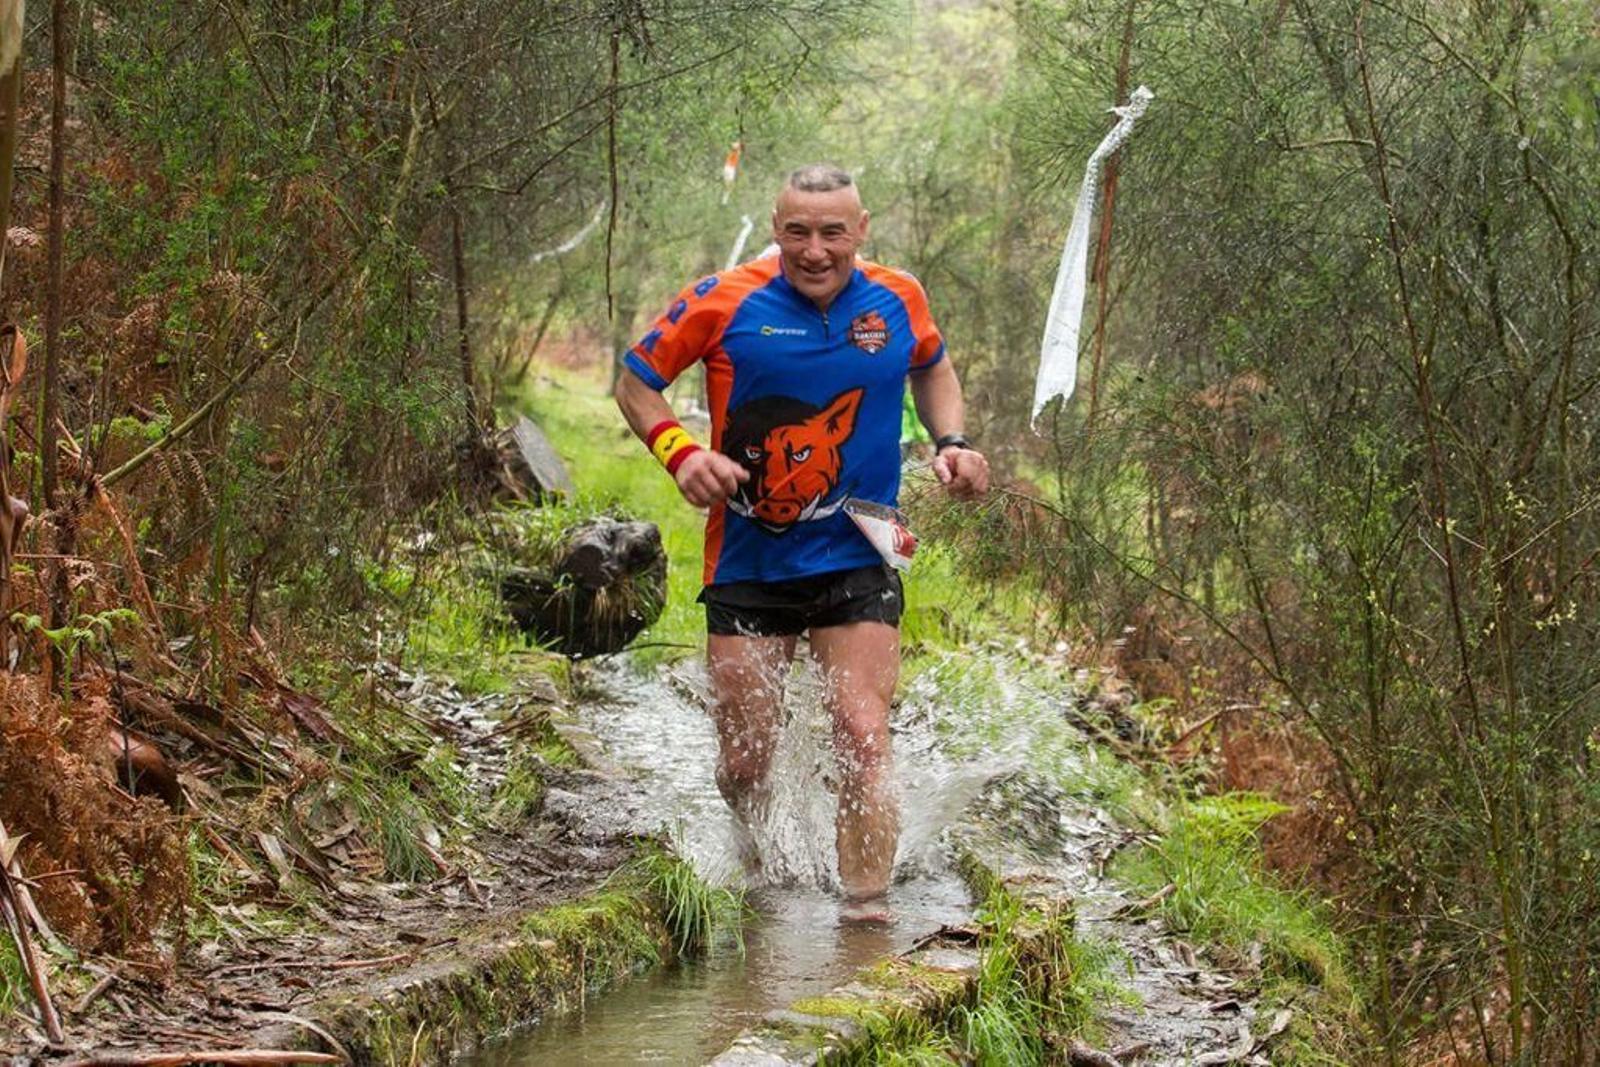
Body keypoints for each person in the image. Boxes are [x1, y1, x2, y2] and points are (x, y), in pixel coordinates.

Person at [613, 163, 989, 921]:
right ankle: (761, 863)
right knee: (747, 760)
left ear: (861, 229)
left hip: (859, 548)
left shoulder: (899, 295)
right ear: (778, 228)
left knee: (861, 729)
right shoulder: (725, 298)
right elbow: (634, 381)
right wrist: (682, 454)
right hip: (747, 560)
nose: (814, 250)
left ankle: (865, 916)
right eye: (797, 232)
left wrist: (952, 440)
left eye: (831, 233)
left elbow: (932, 362)